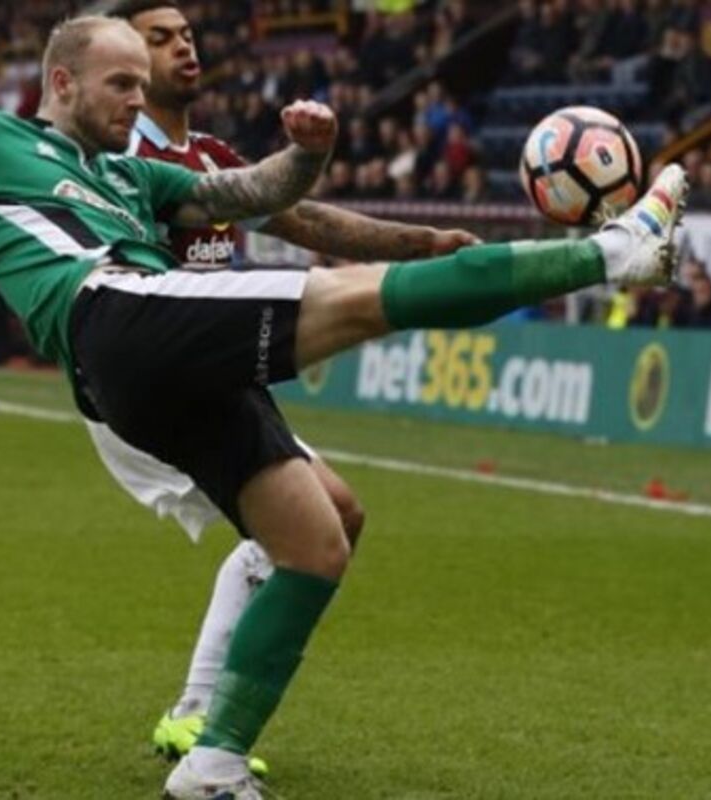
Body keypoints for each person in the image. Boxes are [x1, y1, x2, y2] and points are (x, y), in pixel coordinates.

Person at [0, 16, 687, 799]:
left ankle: (213, 759)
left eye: (142, 83)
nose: (138, 99)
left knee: (319, 540)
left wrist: (310, 150)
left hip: (154, 366)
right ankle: (615, 254)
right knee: (356, 300)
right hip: (114, 310)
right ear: (62, 83)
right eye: (120, 83)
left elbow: (251, 193)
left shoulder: (133, 173)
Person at [104, 0, 479, 777]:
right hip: (159, 385)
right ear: (124, 63)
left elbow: (301, 219)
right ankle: (206, 727)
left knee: (336, 515)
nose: (183, 47)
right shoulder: (118, 158)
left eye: (187, 35)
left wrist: (423, 243)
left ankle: (194, 710)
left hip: (215, 374)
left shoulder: (207, 153)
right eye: (159, 39)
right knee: (312, 534)